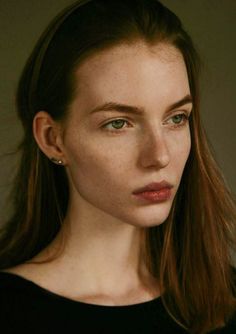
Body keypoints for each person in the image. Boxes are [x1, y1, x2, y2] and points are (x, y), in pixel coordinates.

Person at [0, 0, 235, 333]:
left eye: (176, 118)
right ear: (53, 139)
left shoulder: (226, 300)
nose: (160, 155)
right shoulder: (9, 313)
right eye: (118, 123)